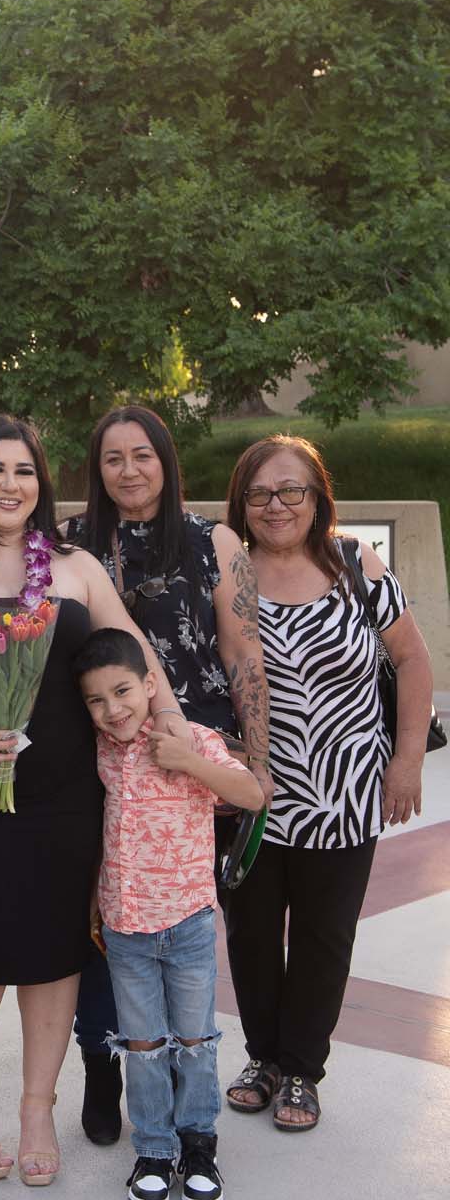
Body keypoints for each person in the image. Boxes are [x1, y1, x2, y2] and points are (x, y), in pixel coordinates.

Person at [0, 416, 194, 1187]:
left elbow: (131, 648)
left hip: (65, 790)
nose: (11, 485)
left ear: (41, 484)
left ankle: (37, 1108)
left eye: (25, 472)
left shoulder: (74, 566)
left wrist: (172, 721)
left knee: (56, 944)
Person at [62, 404, 272, 1146]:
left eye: (142, 455)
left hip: (187, 758)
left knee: (178, 923)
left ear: (166, 460)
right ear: (97, 469)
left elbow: (243, 653)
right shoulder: (70, 544)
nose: (129, 471)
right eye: (113, 458)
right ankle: (101, 1063)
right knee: (101, 917)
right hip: (97, 757)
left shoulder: (213, 542)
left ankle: (187, 1091)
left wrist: (254, 762)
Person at [221, 436, 433, 1131]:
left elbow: (412, 659)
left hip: (346, 792)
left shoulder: (355, 564)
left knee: (324, 937)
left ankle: (302, 1070)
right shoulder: (229, 574)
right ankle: (263, 1058)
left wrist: (406, 760)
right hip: (253, 797)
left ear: (317, 497)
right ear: (241, 503)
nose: (276, 505)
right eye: (259, 493)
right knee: (251, 935)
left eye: (291, 490)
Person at [73, 628, 263, 1200]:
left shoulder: (192, 738)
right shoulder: (102, 751)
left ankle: (199, 1146)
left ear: (150, 684)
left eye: (123, 691)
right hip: (126, 927)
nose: (113, 710)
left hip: (187, 924)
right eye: (96, 700)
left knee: (195, 1041)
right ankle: (154, 1150)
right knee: (144, 1045)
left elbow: (252, 795)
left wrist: (189, 762)